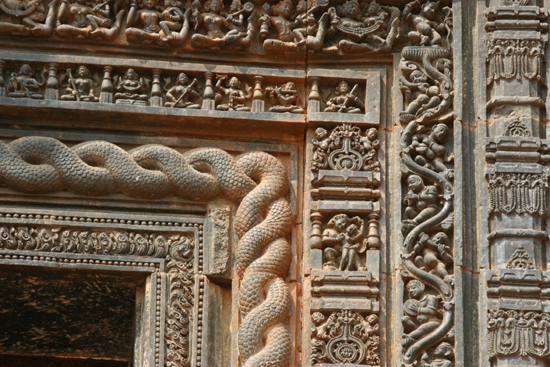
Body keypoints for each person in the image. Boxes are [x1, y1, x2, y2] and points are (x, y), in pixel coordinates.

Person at [402, 279, 441, 348]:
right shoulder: (414, 302)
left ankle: (410, 336)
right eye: (409, 289)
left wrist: (418, 310)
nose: (411, 290)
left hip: (432, 322)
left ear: (422, 286)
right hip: (418, 325)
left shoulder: (431, 297)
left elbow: (432, 311)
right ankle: (418, 334)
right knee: (404, 319)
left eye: (413, 287)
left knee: (423, 328)